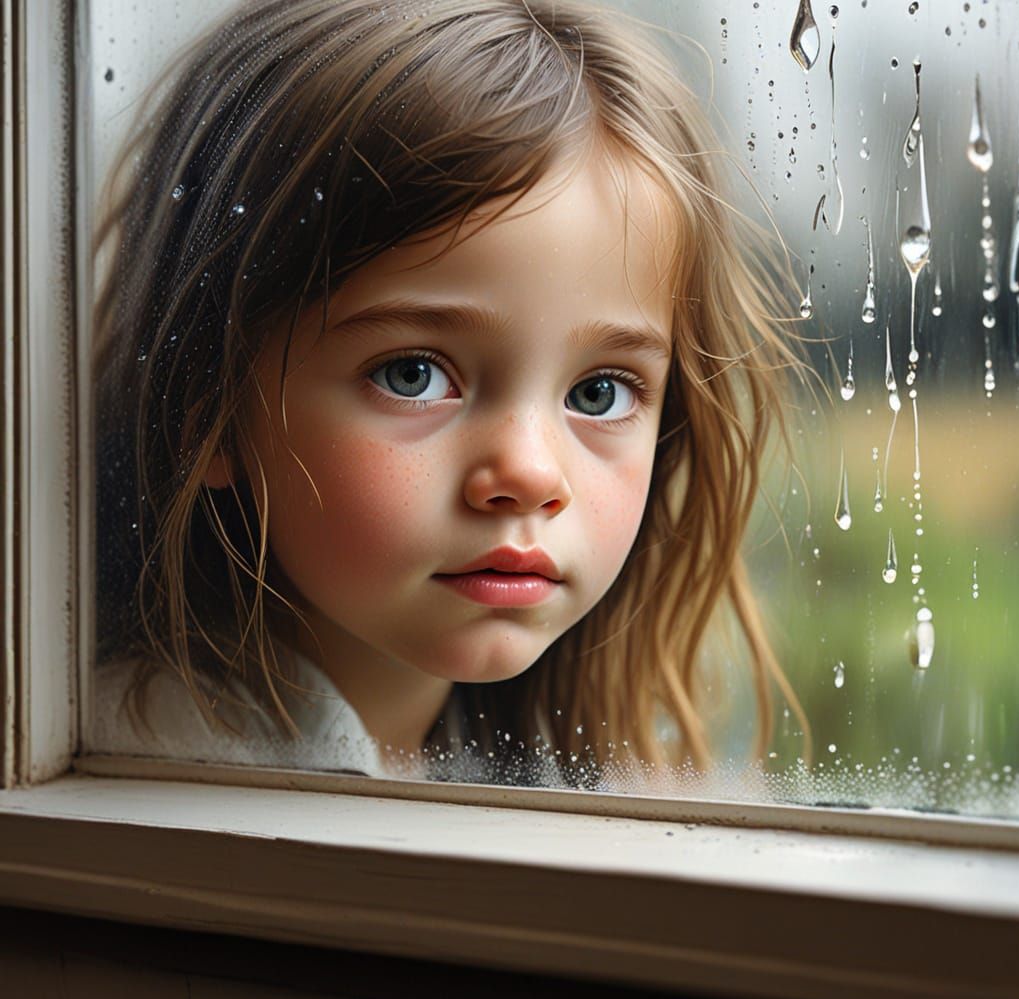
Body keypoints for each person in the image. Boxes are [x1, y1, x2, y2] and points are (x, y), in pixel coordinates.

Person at [90, 0, 811, 788]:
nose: (531, 474)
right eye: (414, 376)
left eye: (600, 393)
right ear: (211, 413)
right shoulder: (155, 777)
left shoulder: (550, 779)